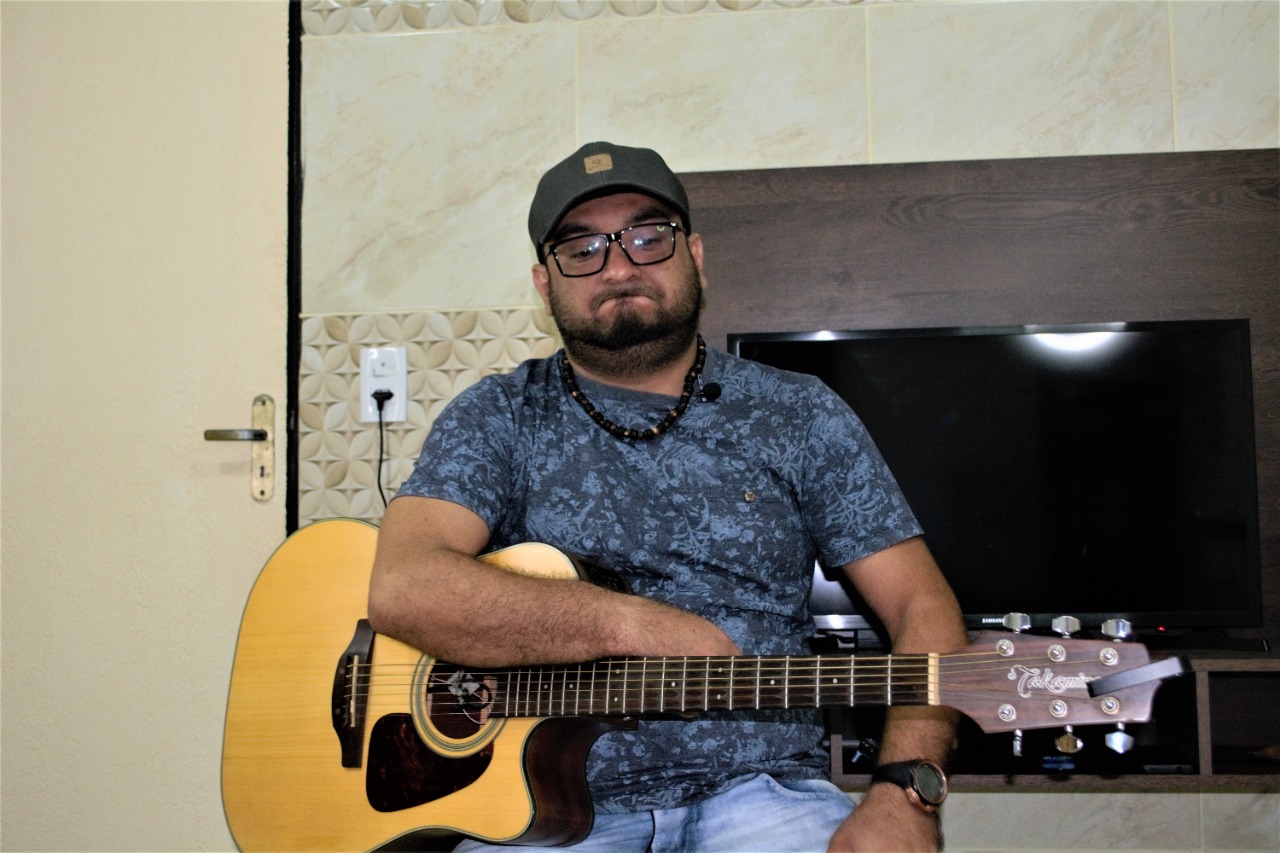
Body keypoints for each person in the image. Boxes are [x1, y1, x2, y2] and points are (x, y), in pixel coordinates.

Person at [368, 141, 968, 852]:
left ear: (696, 255)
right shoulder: (497, 416)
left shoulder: (798, 413)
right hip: (536, 811)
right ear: (543, 283)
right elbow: (404, 585)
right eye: (582, 248)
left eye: (648, 237)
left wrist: (905, 793)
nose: (620, 267)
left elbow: (922, 607)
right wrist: (634, 625)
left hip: (762, 793)